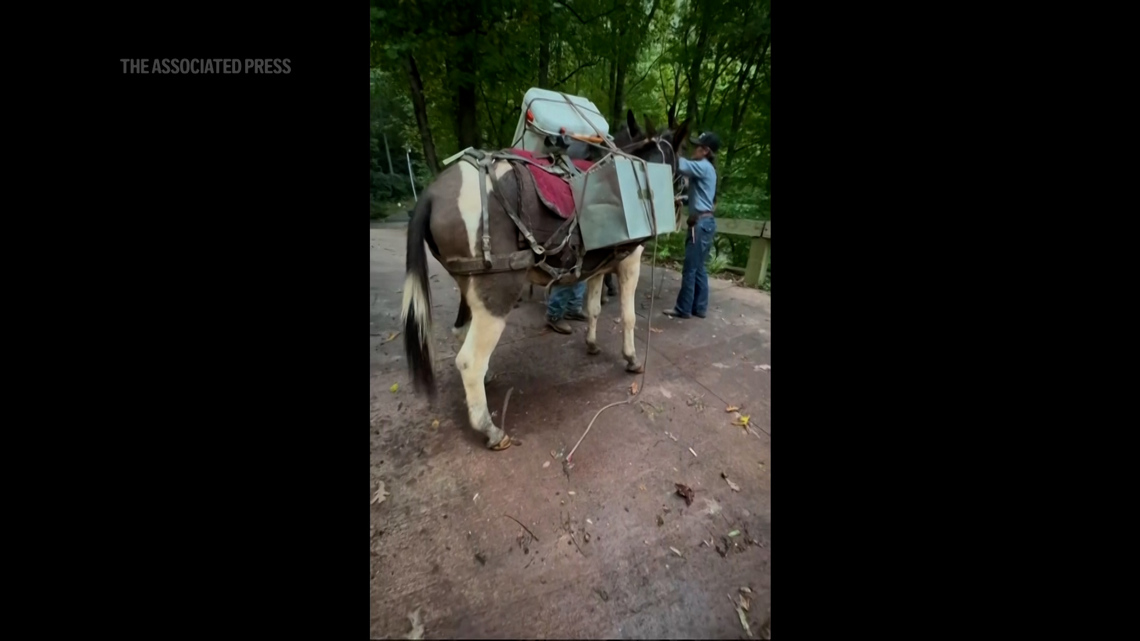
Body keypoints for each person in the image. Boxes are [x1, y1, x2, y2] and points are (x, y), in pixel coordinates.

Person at [664, 132, 720, 320]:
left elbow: (678, 164)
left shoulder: (702, 167)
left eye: (698, 146)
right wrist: (683, 199)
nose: (694, 149)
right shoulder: (709, 169)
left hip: (700, 224)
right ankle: (699, 308)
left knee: (690, 268)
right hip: (706, 222)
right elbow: (702, 196)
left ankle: (683, 309)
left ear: (705, 151)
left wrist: (668, 146)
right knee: (699, 267)